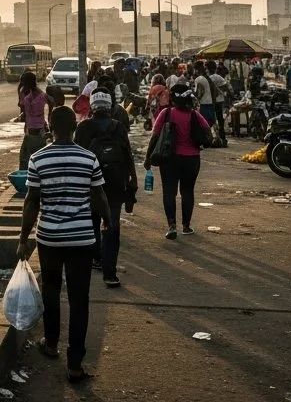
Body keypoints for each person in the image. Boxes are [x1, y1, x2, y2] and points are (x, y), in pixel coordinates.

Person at [17, 105, 109, 385]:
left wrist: (24, 238)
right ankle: (75, 365)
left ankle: (52, 342)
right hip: (81, 237)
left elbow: (32, 200)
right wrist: (108, 222)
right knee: (80, 299)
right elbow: (99, 196)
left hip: (50, 238)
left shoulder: (38, 159)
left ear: (50, 128)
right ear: (74, 128)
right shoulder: (89, 158)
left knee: (52, 290)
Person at [77, 91, 136, 287]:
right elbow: (128, 155)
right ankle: (110, 273)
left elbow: (77, 157)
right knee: (112, 224)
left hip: (91, 183)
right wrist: (132, 181)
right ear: (110, 107)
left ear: (92, 107)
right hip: (116, 182)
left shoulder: (84, 127)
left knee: (92, 220)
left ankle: (97, 259)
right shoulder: (118, 127)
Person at [146, 85, 210, 238]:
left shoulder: (166, 113)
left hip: (170, 159)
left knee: (169, 192)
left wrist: (148, 158)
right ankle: (186, 226)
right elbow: (208, 132)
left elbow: (154, 137)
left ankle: (172, 226)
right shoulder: (195, 115)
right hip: (192, 159)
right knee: (187, 192)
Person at [16, 72, 50, 170]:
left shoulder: (34, 95)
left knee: (25, 159)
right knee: (36, 158)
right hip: (36, 129)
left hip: (36, 130)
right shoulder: (39, 94)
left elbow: (21, 106)